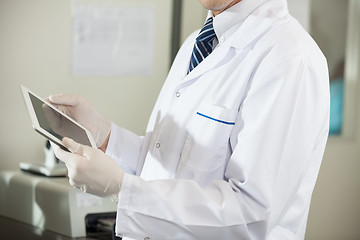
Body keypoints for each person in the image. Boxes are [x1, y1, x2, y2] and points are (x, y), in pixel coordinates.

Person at [51, 0, 330, 239]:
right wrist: (103, 134)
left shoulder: (288, 57)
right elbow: (170, 162)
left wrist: (124, 190)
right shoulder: (197, 43)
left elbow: (250, 215)